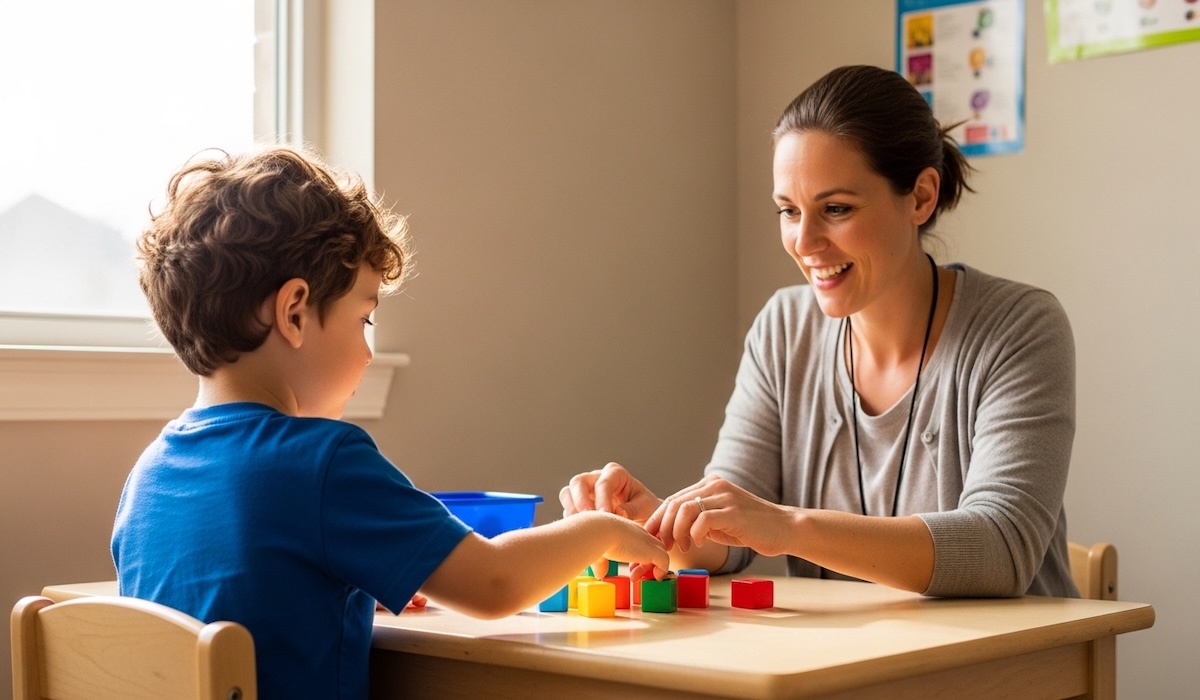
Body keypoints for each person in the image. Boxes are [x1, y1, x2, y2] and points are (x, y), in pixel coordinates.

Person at [111, 146, 669, 700]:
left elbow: (249, 588)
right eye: (364, 317)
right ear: (294, 311)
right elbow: (494, 583)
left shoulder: (149, 476)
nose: (369, 352)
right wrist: (600, 531)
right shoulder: (321, 460)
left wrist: (342, 580)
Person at [561, 64, 1078, 599]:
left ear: (921, 197)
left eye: (836, 209)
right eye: (789, 211)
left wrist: (787, 527)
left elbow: (1001, 550)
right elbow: (731, 535)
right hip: (849, 671)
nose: (804, 242)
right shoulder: (784, 329)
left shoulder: (1022, 327)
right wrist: (658, 523)